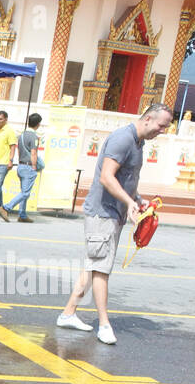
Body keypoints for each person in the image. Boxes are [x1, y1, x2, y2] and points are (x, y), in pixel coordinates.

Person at [56, 103, 173, 345]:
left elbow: (125, 179)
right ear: (149, 118)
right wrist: (129, 201)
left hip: (114, 212)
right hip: (103, 213)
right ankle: (105, 325)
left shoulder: (138, 142)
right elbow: (106, 176)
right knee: (101, 268)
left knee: (94, 264)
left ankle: (68, 313)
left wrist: (137, 200)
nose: (162, 131)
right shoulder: (123, 139)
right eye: (161, 126)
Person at [3, 112, 42, 223]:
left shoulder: (22, 135)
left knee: (23, 191)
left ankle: (22, 214)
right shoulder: (34, 137)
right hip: (29, 167)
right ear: (38, 124)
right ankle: (6, 207)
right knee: (25, 193)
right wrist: (34, 166)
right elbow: (33, 153)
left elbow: (19, 150)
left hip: (21, 165)